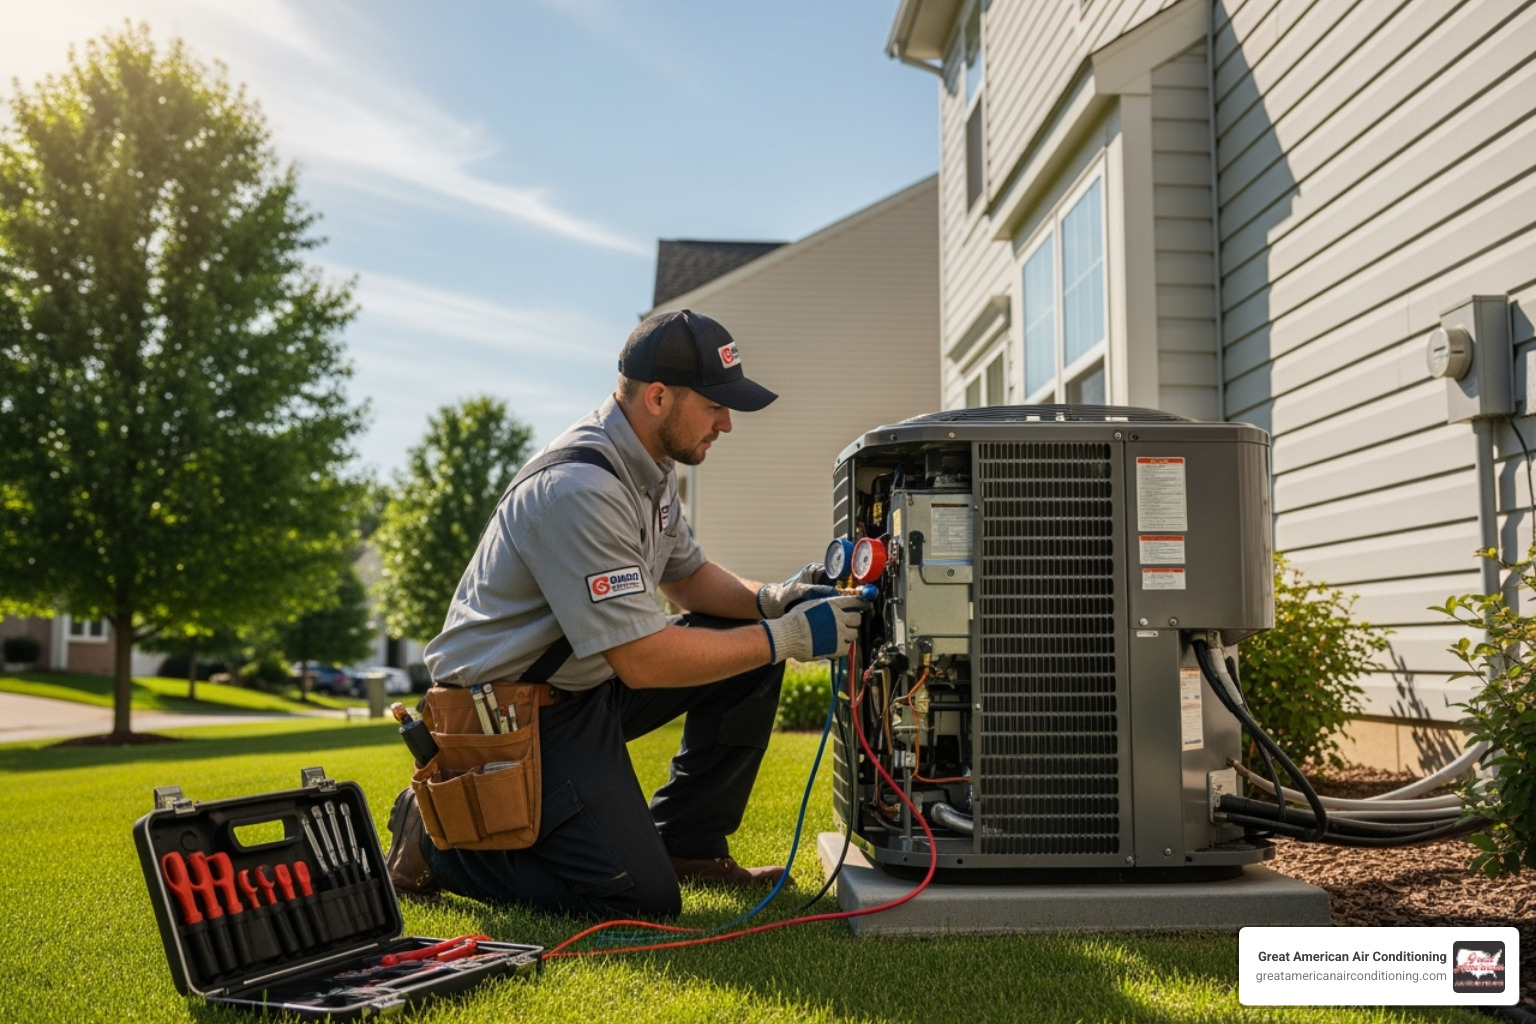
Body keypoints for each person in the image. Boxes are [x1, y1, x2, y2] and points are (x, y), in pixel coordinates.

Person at [385, 308, 866, 920]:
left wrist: (770, 601)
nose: (727, 423)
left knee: (751, 647)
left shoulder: (653, 466)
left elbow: (687, 577)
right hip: (506, 715)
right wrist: (789, 637)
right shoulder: (580, 490)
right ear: (659, 397)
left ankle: (687, 844)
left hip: (579, 689)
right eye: (715, 404)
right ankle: (434, 841)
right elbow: (641, 660)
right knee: (639, 899)